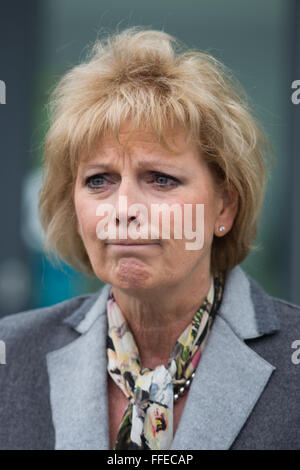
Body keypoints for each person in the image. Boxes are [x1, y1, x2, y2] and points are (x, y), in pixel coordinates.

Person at [0, 27, 299, 451]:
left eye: (161, 179)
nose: (124, 208)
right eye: (98, 180)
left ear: (224, 207)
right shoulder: (10, 355)